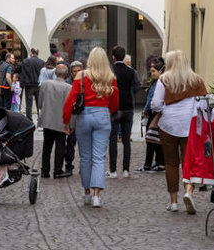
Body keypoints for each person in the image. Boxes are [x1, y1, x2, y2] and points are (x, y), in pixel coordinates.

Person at [150, 50, 207, 214]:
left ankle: (173, 201)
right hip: (190, 125)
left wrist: (165, 110)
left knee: (171, 163)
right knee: (189, 162)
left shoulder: (164, 79)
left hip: (168, 125)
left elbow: (156, 104)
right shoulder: (196, 80)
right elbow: (204, 104)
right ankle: (189, 191)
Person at [63, 47, 119, 208]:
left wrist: (66, 121)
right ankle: (96, 195)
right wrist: (109, 112)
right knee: (99, 157)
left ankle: (87, 192)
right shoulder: (110, 77)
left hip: (85, 115)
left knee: (85, 157)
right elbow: (115, 104)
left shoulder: (81, 76)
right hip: (103, 115)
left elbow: (70, 100)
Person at [108, 46, 142, 179]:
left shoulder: (110, 71)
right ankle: (126, 169)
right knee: (126, 140)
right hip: (128, 107)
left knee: (112, 139)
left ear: (113, 57)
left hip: (115, 107)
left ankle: (113, 170)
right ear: (124, 57)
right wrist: (130, 94)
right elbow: (137, 86)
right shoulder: (132, 71)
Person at [38, 63, 73, 178]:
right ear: (66, 74)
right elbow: (70, 107)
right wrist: (71, 124)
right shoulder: (69, 88)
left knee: (47, 146)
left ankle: (45, 170)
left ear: (55, 73)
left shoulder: (45, 84)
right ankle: (57, 170)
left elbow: (40, 102)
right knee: (60, 146)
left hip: (48, 120)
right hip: (61, 121)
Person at [138, 58, 166, 172]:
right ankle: (159, 163)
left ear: (160, 71)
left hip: (155, 114)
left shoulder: (158, 83)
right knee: (156, 139)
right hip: (156, 113)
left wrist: (145, 110)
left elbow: (152, 100)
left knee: (151, 139)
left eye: (154, 71)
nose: (152, 73)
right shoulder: (156, 82)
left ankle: (150, 164)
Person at [62, 60, 84, 174]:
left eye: (79, 70)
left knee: (84, 142)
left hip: (83, 114)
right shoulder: (67, 83)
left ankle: (83, 166)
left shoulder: (86, 82)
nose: (77, 73)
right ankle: (69, 165)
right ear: (71, 72)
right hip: (72, 115)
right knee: (71, 142)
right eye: (74, 71)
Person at [19, 48, 45, 120]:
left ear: (31, 53)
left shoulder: (25, 61)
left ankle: (29, 119)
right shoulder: (42, 62)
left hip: (29, 85)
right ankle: (40, 118)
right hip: (38, 85)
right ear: (38, 53)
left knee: (28, 103)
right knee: (39, 103)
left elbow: (18, 68)